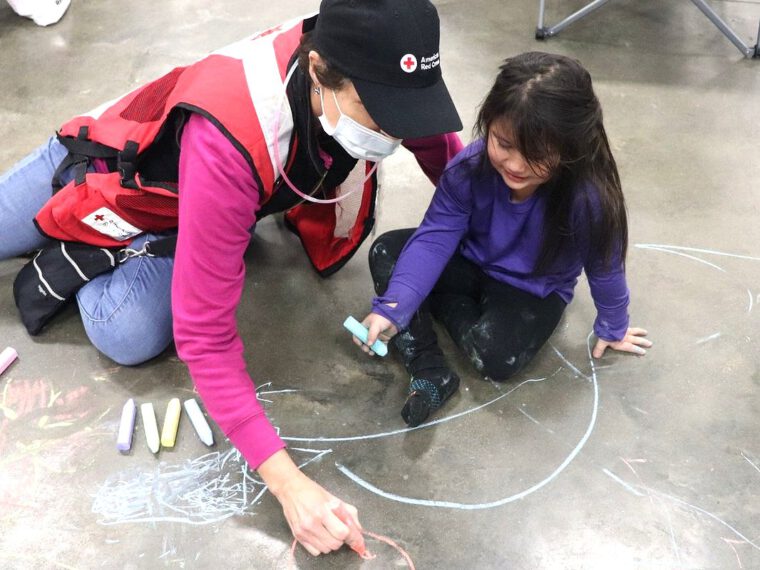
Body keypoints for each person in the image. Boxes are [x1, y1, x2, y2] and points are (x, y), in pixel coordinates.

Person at [0, 0, 463, 556]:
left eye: (406, 110)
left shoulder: (371, 66)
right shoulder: (235, 131)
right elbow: (206, 336)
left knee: (129, 332)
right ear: (318, 72)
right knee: (119, 318)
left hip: (195, 197)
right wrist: (290, 487)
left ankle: (173, 239)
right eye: (377, 110)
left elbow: (445, 161)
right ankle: (94, 247)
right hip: (106, 170)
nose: (395, 132)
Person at [355, 52, 652, 427]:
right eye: (503, 143)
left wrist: (614, 325)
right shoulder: (469, 168)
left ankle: (433, 300)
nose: (515, 165)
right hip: (467, 260)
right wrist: (394, 309)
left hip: (532, 288)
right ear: (488, 125)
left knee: (495, 359)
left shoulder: (587, 198)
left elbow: (604, 267)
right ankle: (429, 367)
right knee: (388, 251)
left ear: (572, 147)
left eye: (537, 154)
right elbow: (434, 238)